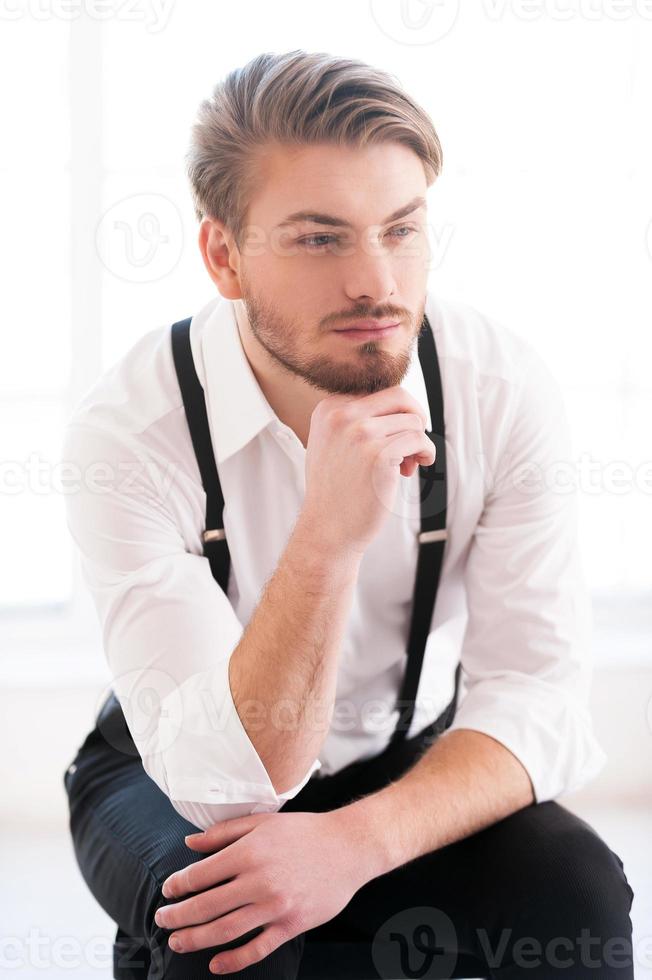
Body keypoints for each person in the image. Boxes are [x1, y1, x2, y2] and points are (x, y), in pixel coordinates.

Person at [61, 49, 634, 979]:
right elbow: (217, 786)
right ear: (223, 255)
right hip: (169, 768)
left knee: (580, 895)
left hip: (404, 754)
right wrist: (327, 538)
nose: (378, 285)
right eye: (320, 238)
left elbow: (538, 696)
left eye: (401, 231)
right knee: (228, 919)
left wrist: (357, 843)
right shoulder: (131, 432)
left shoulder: (498, 385)